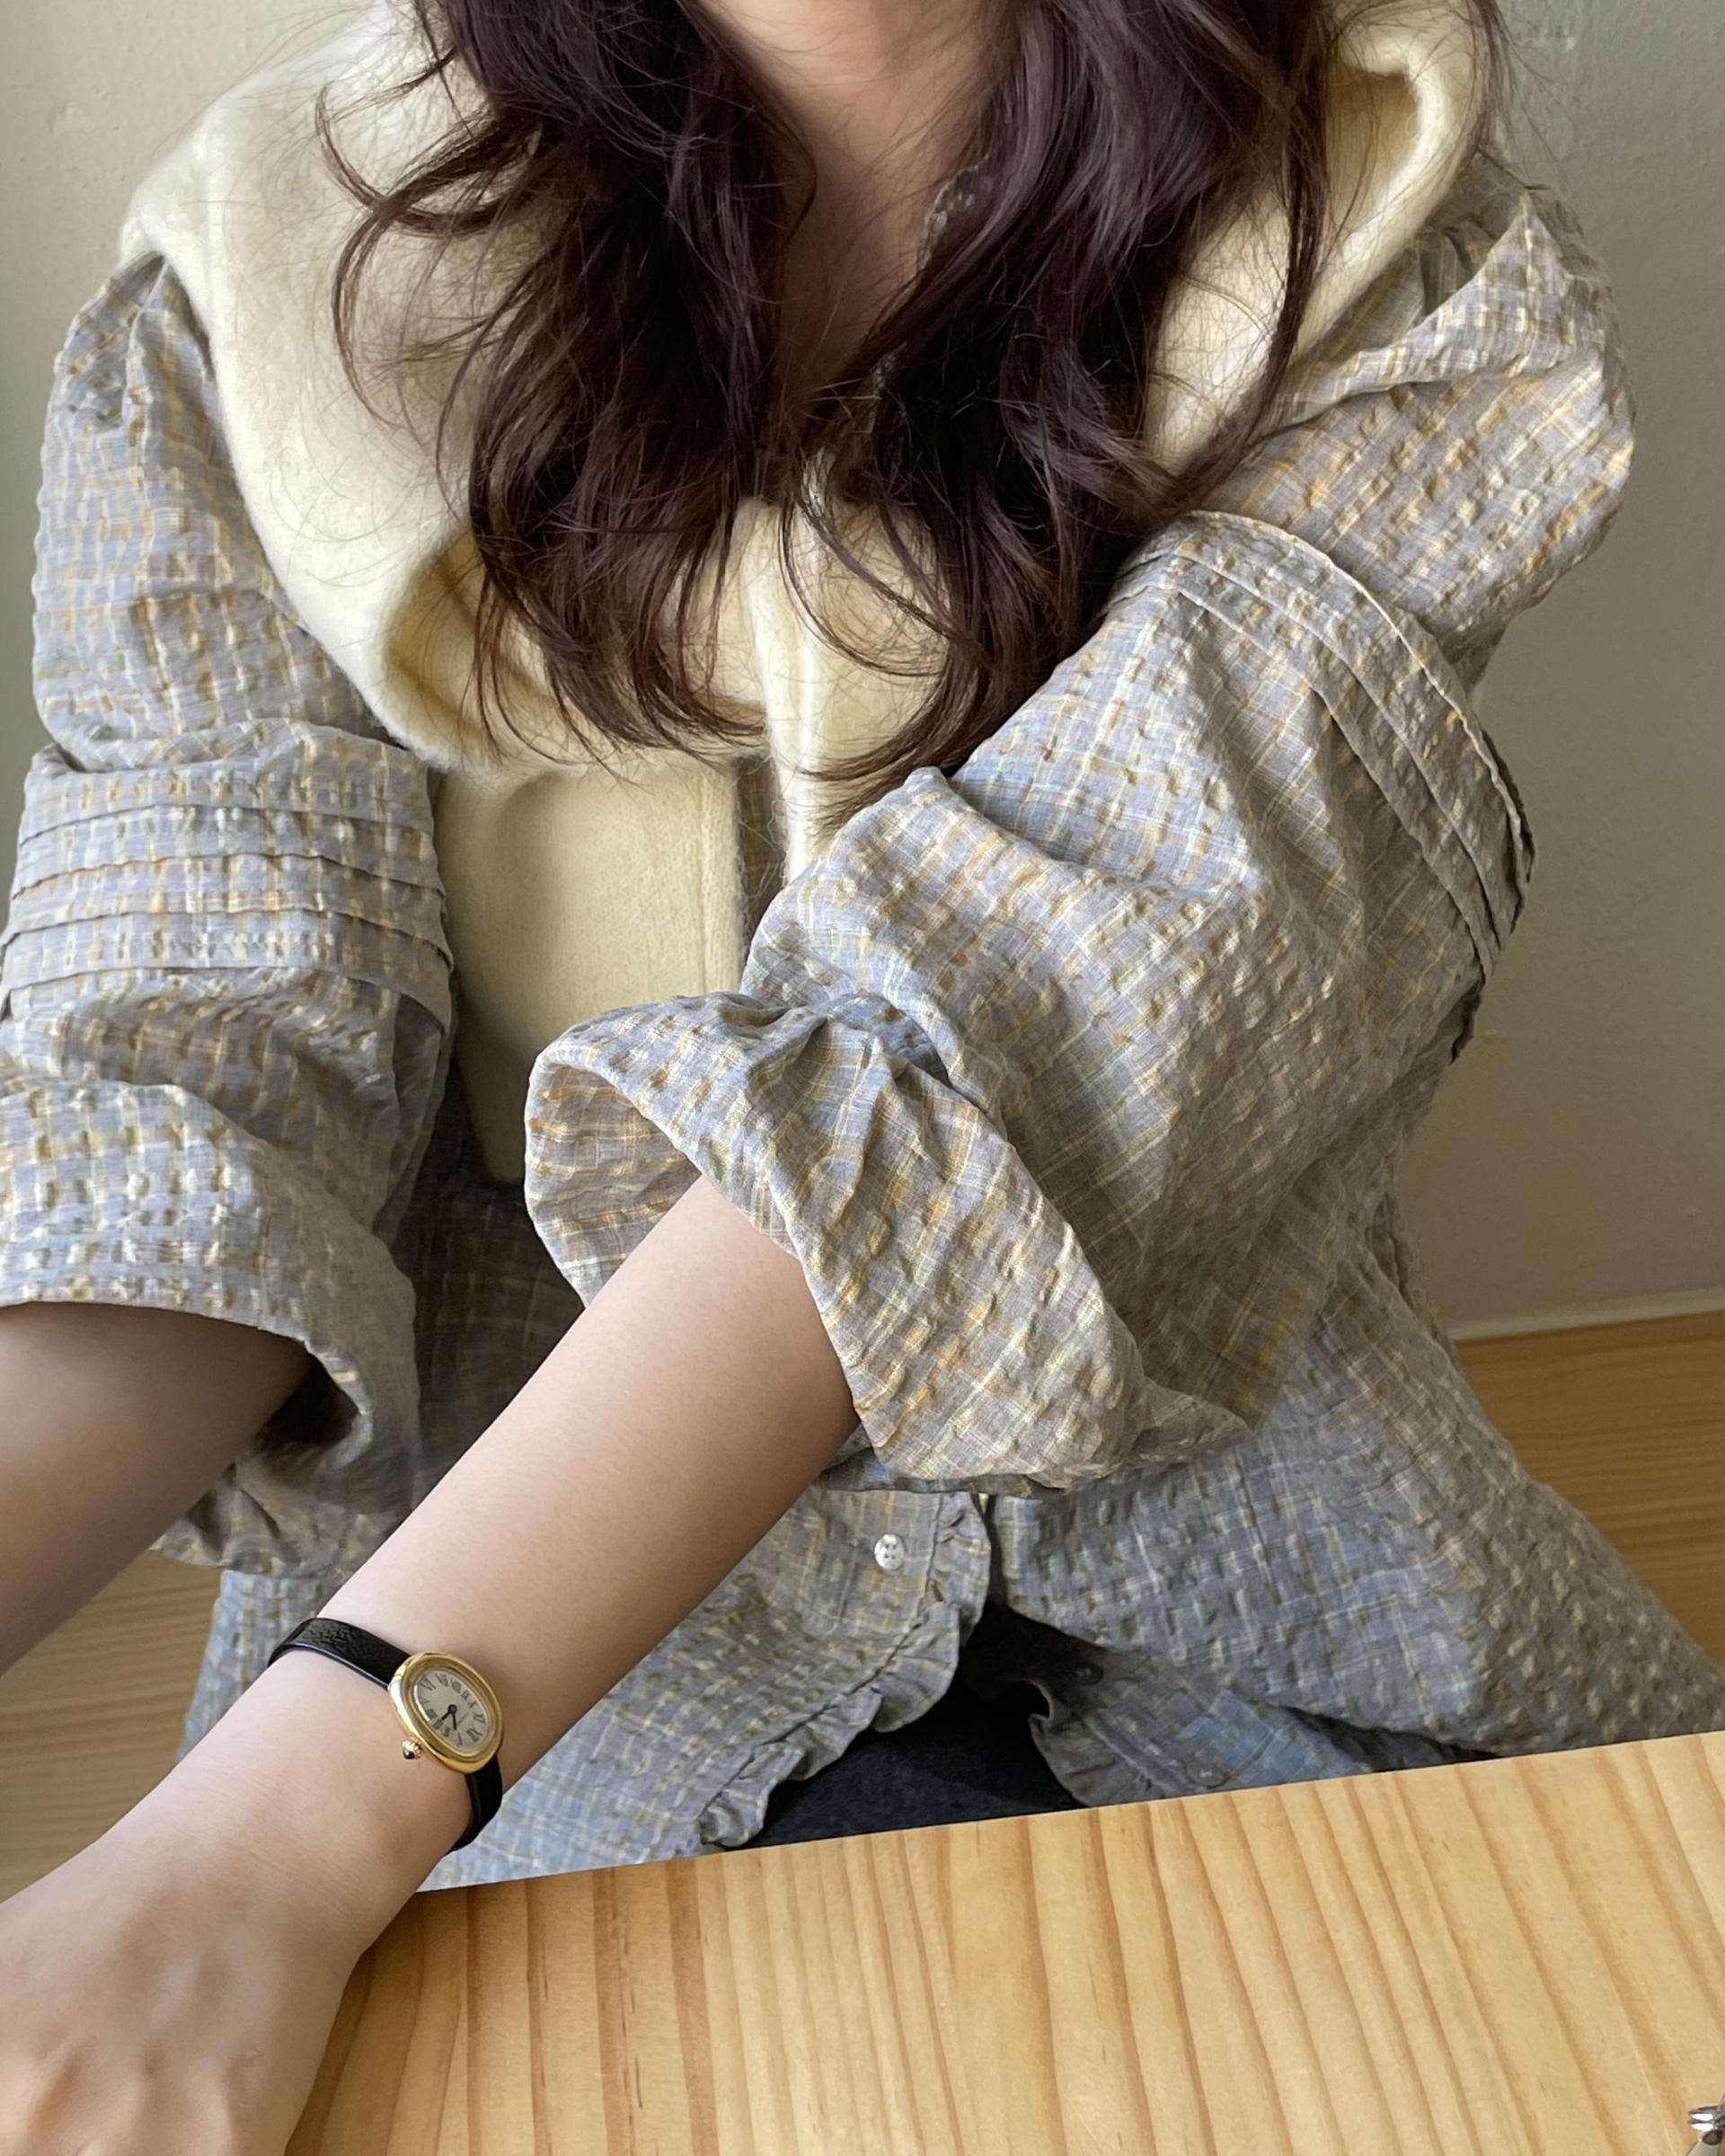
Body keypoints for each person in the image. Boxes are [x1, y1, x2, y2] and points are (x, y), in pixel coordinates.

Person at [4, 0, 1721, 2143]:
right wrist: (271, 1833)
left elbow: (1003, 1056)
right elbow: (192, 1114)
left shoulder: (1388, 255)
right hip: (520, 1678)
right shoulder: (250, 290)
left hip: (1244, 1583)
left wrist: (311, 1795)